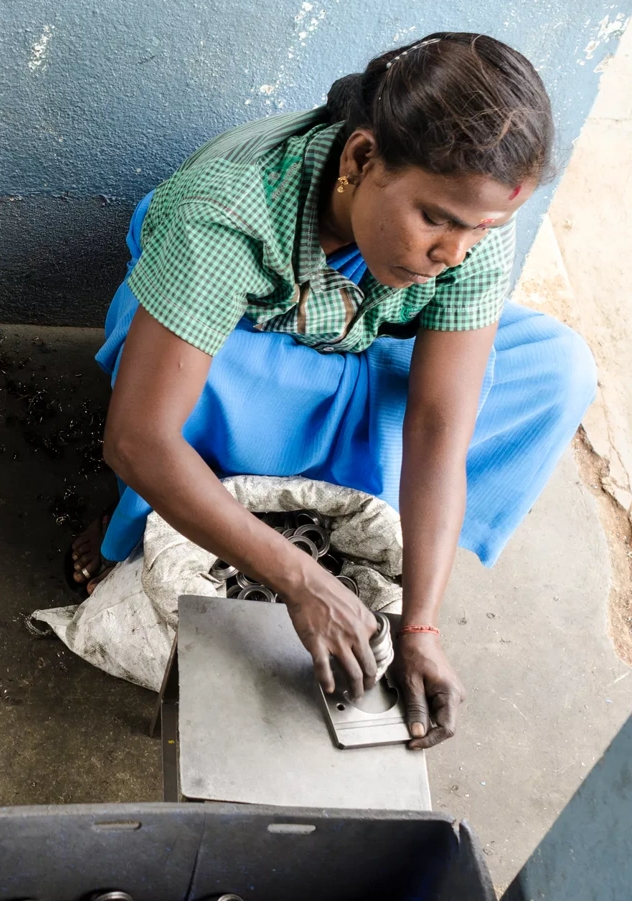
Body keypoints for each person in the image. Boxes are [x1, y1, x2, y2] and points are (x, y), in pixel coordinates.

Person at [71, 33, 596, 749]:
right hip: (238, 344)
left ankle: (301, 498)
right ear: (358, 160)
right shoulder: (227, 212)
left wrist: (419, 622)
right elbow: (136, 437)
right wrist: (301, 581)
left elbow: (439, 424)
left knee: (555, 368)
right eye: (434, 219)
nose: (452, 254)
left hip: (341, 342)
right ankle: (180, 526)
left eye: (480, 230)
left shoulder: (468, 226)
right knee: (186, 397)